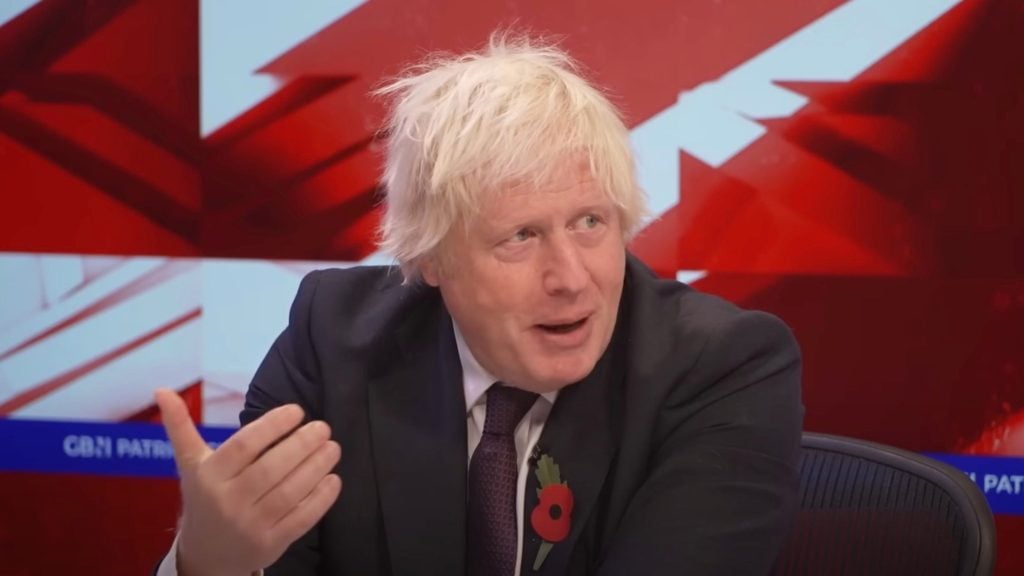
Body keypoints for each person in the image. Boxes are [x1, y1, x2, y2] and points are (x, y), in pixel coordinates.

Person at [155, 33, 803, 576]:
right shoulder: (333, 338)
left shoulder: (723, 368)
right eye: (520, 236)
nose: (571, 278)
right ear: (431, 259)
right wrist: (208, 565)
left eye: (589, 223)